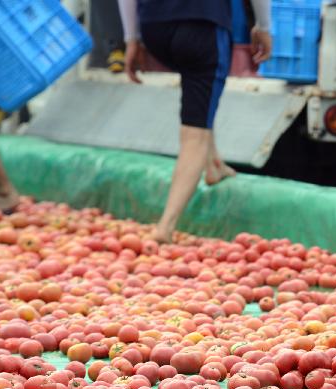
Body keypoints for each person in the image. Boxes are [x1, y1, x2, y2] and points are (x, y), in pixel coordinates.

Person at [116, 0, 272, 243]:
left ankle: (213, 164)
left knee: (200, 95)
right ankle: (165, 227)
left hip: (155, 28)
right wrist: (263, 25)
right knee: (194, 132)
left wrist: (131, 38)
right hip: (203, 25)